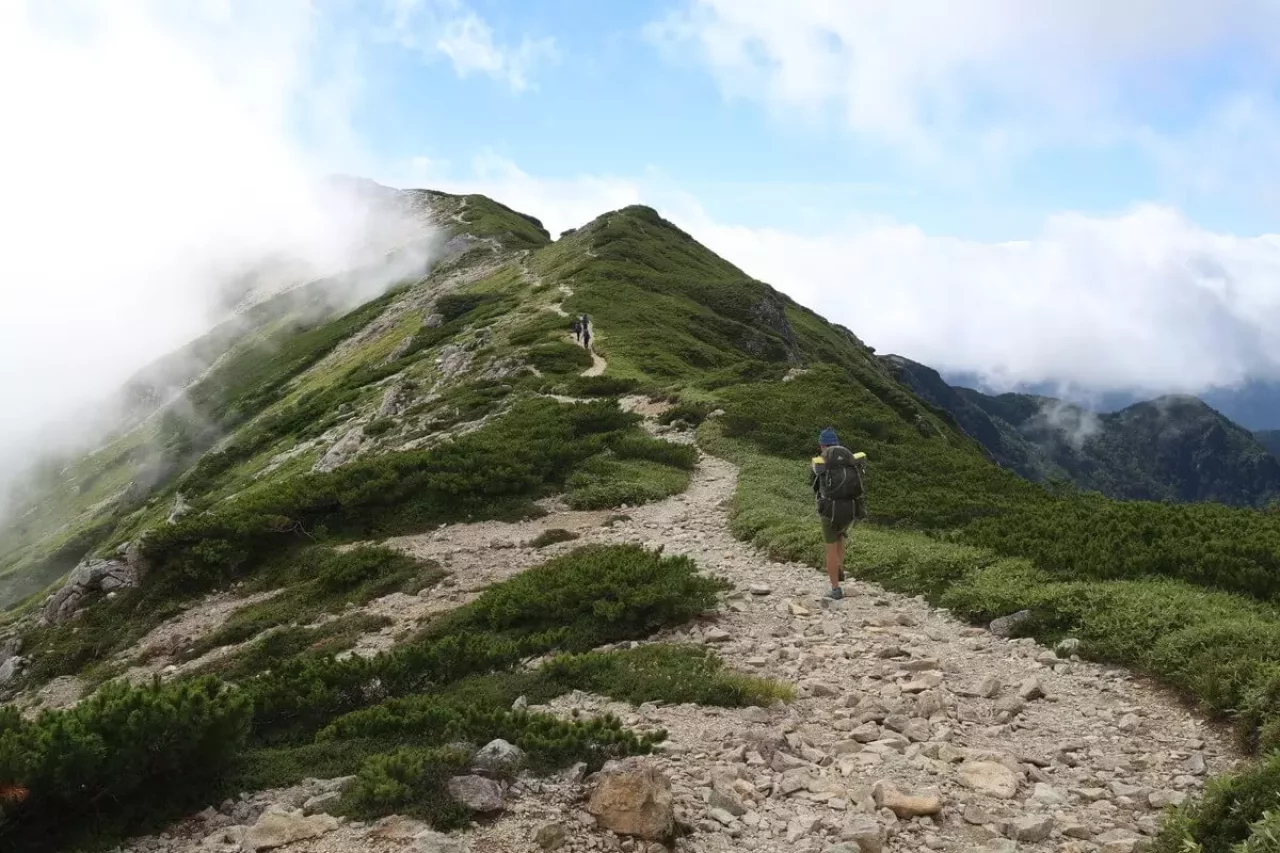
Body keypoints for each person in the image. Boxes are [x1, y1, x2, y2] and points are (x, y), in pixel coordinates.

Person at [809, 427, 867, 600]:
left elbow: (814, 485)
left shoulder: (821, 462)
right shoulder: (849, 459)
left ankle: (835, 589)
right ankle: (839, 567)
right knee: (841, 536)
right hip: (850, 508)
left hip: (829, 510)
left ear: (822, 445)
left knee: (830, 548)